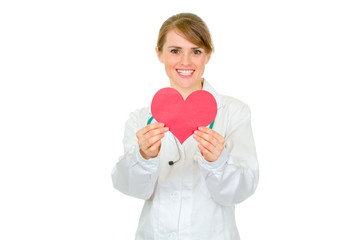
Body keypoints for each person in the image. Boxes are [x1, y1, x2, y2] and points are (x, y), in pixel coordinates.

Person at [112, 12, 259, 240]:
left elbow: (242, 190)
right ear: (159, 54)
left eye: (196, 51)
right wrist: (143, 157)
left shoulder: (234, 112)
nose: (185, 62)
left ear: (208, 56)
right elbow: (130, 188)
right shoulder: (141, 119)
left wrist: (217, 162)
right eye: (175, 51)